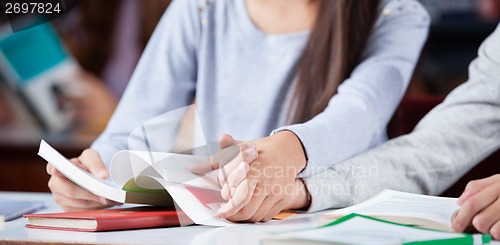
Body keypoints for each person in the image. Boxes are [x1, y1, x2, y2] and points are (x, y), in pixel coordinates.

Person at [47, 0, 430, 212]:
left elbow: (359, 114)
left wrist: (283, 151)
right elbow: (130, 130)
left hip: (341, 218)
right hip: (228, 224)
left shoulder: (396, 14)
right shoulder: (200, 8)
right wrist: (90, 175)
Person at [261, 23, 499, 239]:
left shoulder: (394, 15)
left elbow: (360, 110)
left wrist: (290, 151)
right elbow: (433, 148)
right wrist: (301, 190)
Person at [54, 0, 171, 133]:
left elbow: (186, 128)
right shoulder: (91, 9)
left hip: (137, 146)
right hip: (84, 136)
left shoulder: (183, 13)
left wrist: (114, 114)